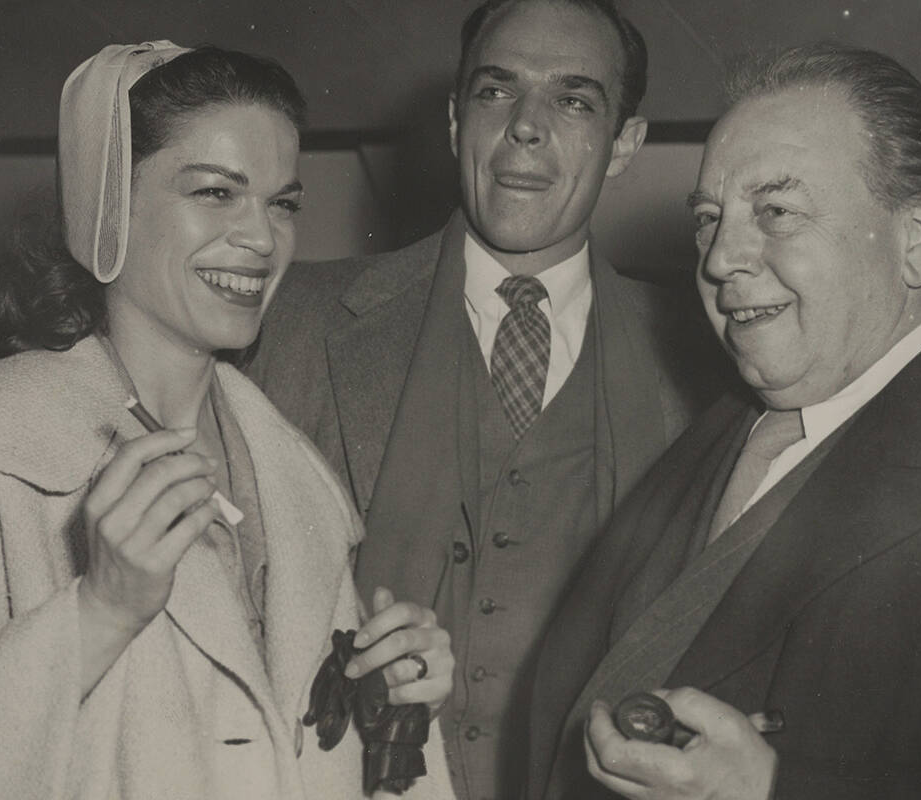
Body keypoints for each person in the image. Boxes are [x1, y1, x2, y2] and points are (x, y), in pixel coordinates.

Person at [0, 42, 457, 800]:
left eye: (282, 203)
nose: (263, 238)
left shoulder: (294, 473)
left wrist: (391, 713)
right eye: (216, 193)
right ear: (103, 205)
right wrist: (98, 612)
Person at [527, 42, 921, 799]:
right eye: (709, 219)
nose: (718, 259)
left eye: (775, 211)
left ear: (915, 240)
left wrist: (778, 790)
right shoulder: (709, 432)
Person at [247, 2, 722, 797]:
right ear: (454, 119)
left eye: (574, 100)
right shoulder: (292, 323)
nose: (527, 126)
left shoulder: (709, 368)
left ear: (625, 146)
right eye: (497, 92)